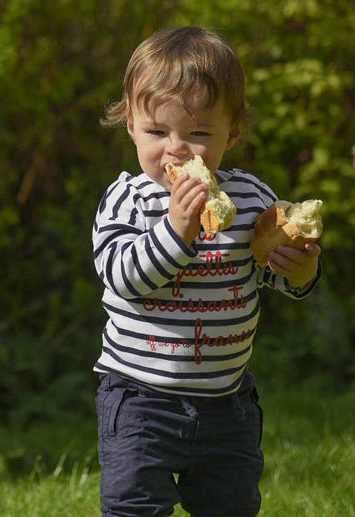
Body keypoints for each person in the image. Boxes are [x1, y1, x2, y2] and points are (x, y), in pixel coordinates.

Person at [92, 26, 322, 517]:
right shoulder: (127, 200)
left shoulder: (249, 198)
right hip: (139, 399)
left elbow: (277, 275)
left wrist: (300, 268)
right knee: (135, 508)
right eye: (157, 132)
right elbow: (123, 276)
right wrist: (176, 231)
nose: (176, 149)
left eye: (197, 134)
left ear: (231, 133)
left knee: (231, 506)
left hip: (227, 402)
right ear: (130, 125)